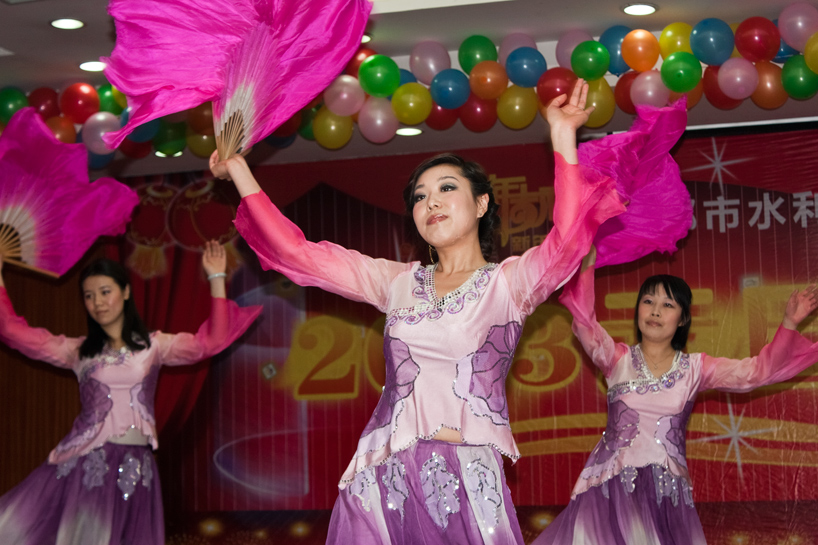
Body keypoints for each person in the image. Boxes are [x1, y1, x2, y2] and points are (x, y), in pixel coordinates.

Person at [210, 80, 633, 544]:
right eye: (419, 196)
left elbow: (568, 242)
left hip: (466, 476)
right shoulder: (395, 282)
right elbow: (298, 253)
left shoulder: (508, 284)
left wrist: (562, 135)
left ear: (481, 203)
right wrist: (240, 170)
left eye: (447, 188)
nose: (430, 201)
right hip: (381, 480)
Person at [533, 246, 818, 545]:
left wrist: (789, 324)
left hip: (666, 500)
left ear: (682, 319)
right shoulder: (616, 359)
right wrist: (587, 267)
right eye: (648, 301)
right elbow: (585, 324)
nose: (655, 310)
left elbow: (757, 372)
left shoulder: (695, 369)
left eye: (667, 304)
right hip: (610, 493)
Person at [0, 241, 261, 545]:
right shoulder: (76, 351)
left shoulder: (154, 346)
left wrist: (216, 277)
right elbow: (12, 331)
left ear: (125, 292)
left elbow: (212, 341)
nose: (97, 302)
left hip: (137, 467)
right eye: (89, 296)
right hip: (88, 463)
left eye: (105, 292)